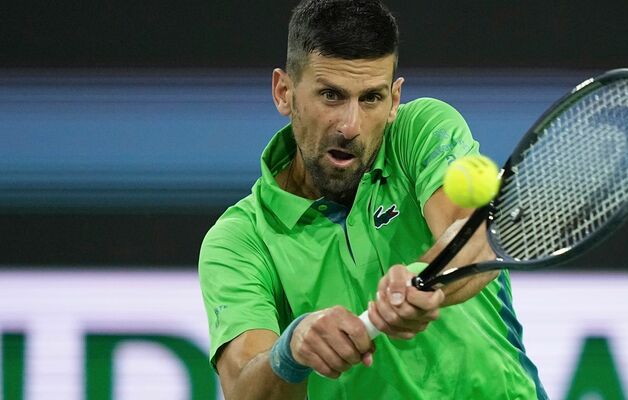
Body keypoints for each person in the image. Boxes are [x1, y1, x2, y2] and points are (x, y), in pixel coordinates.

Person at [198, 0, 548, 398]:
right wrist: (291, 352)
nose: (350, 126)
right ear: (284, 93)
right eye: (331, 95)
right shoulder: (240, 240)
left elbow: (474, 232)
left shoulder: (420, 131)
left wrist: (424, 279)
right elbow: (243, 387)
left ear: (394, 100)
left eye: (371, 99)